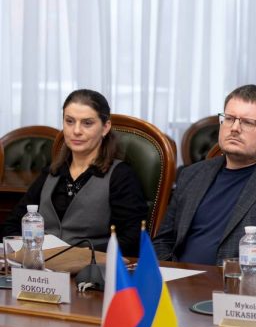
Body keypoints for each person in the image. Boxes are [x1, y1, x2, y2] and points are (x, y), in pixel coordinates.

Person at [152, 84, 256, 272]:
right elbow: (163, 241)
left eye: (248, 122)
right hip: (176, 282)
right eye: (229, 119)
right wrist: (172, 275)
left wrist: (232, 270)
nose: (234, 128)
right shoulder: (192, 174)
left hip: (242, 286)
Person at [1, 90, 147, 256]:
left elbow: (132, 239)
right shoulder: (52, 172)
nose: (76, 131)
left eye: (87, 123)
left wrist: (79, 255)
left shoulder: (121, 176)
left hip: (92, 267)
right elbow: (12, 225)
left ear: (105, 127)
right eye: (69, 121)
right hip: (40, 265)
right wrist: (31, 251)